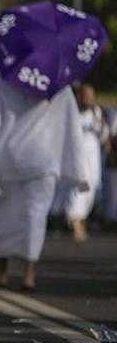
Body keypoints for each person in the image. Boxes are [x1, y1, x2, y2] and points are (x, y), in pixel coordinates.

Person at [0, 79, 87, 291]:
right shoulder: (60, 82)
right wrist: (78, 169)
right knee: (35, 217)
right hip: (43, 161)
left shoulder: (5, 79)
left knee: (5, 215)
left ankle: (2, 271)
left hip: (8, 157)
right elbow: (72, 124)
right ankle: (29, 275)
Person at [65, 84, 109, 241]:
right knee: (81, 187)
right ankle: (75, 221)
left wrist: (101, 123)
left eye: (91, 96)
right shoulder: (71, 112)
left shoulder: (96, 112)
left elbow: (103, 136)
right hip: (77, 157)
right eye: (85, 96)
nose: (88, 99)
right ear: (79, 96)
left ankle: (79, 220)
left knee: (92, 187)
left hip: (93, 158)